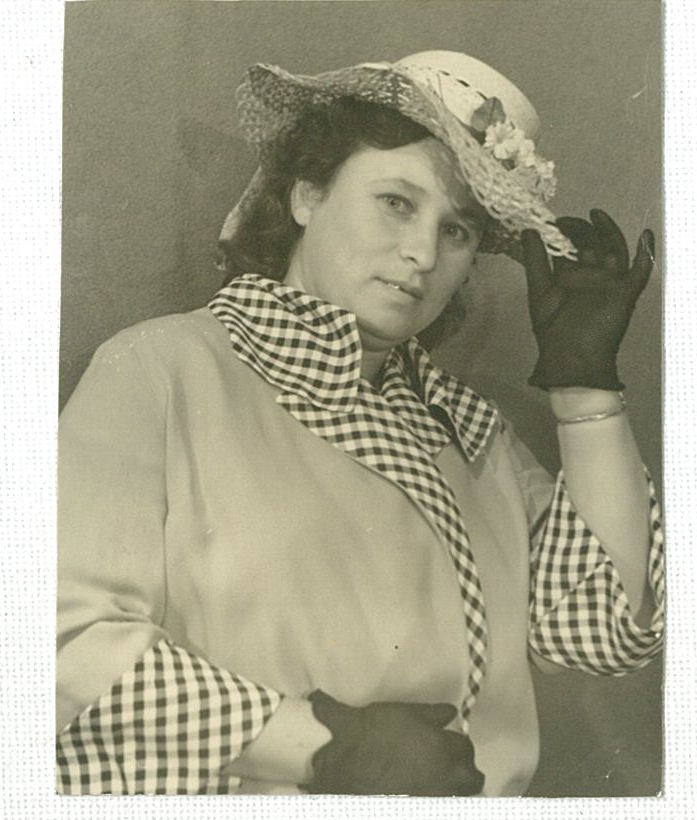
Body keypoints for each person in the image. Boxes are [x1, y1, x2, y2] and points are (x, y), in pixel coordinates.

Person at [55, 50, 664, 796]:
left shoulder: (474, 432)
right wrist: (320, 747)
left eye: (457, 231)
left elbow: (601, 630)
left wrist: (585, 391)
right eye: (397, 203)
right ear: (306, 194)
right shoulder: (161, 369)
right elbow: (62, 639)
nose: (421, 254)